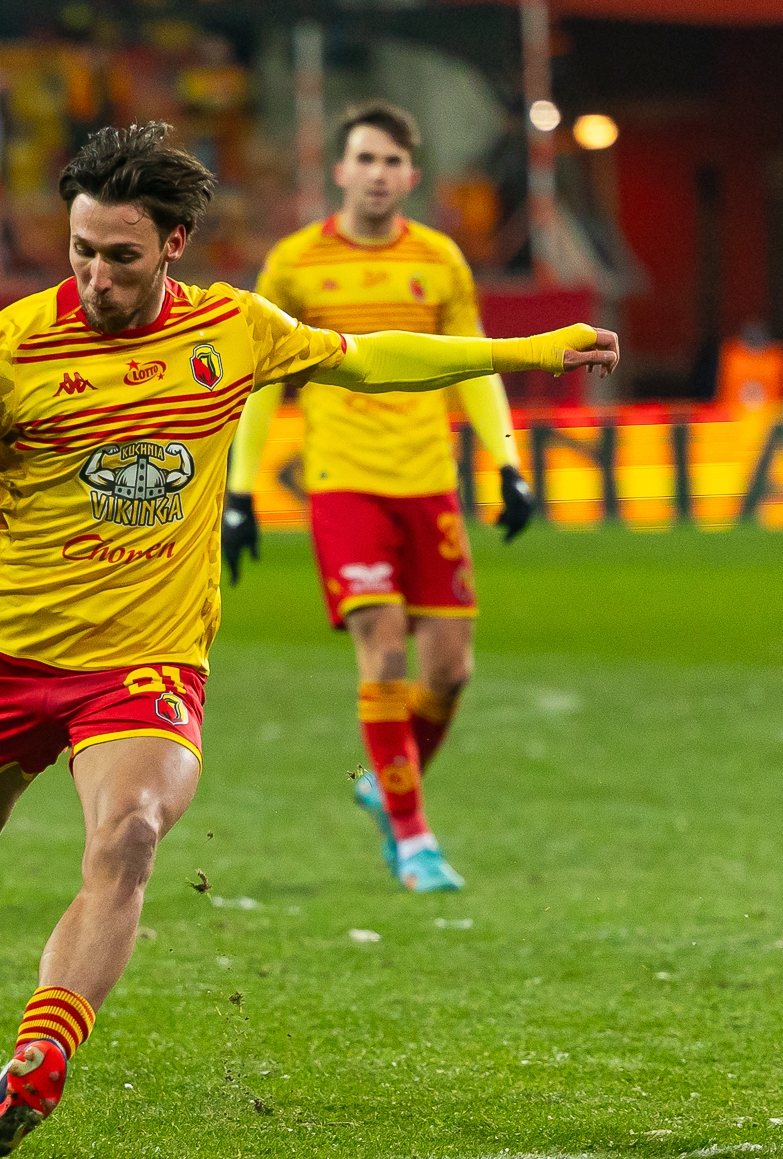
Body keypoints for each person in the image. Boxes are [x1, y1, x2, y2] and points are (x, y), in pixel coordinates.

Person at [0, 122, 616, 1158]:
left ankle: (41, 1054)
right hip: (10, 655)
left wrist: (526, 350)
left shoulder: (233, 330)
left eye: (121, 256)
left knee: (130, 834)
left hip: (148, 662)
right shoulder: (11, 350)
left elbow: (368, 361)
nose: (95, 277)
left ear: (173, 244)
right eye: (80, 252)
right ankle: (4, 822)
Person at [224, 100, 538, 894]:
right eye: (365, 158)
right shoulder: (296, 264)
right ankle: (413, 836)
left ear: (412, 176)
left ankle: (386, 785)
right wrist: (240, 490)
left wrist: (508, 463)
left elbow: (476, 365)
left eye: (392, 161)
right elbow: (262, 383)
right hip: (344, 484)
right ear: (340, 170)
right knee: (385, 649)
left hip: (429, 482)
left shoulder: (440, 261)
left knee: (451, 670)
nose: (377, 173)